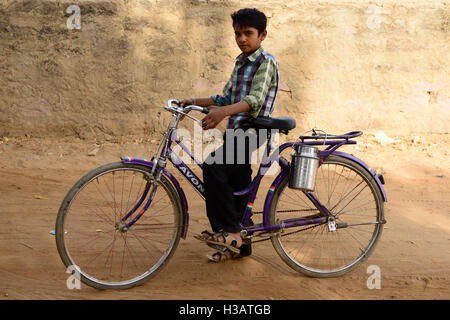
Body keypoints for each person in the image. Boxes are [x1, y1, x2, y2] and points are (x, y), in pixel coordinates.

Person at [180, 8, 279, 262]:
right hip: (237, 132)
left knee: (213, 168)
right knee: (237, 186)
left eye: (248, 33)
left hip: (254, 131)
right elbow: (226, 97)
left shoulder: (265, 62)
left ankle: (229, 232)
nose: (242, 39)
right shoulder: (240, 62)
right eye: (238, 34)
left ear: (262, 35)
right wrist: (191, 101)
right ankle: (241, 243)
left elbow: (254, 100)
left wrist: (223, 112)